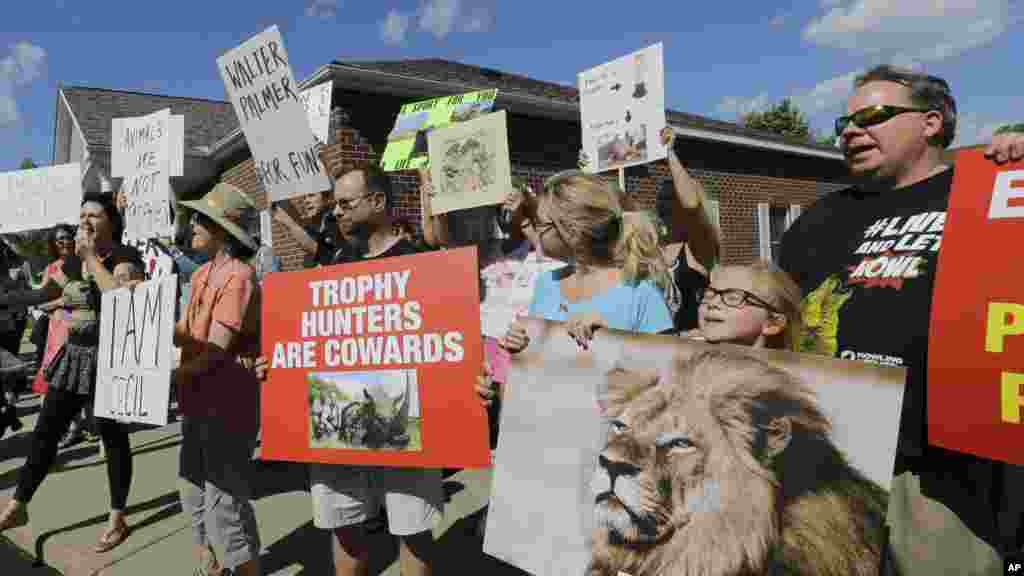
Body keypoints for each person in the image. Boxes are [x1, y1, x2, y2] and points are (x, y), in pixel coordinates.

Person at [778, 64, 1024, 574]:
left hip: (943, 466)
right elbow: (771, 314)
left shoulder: (992, 194)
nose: (850, 131)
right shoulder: (820, 219)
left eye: (872, 116)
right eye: (844, 123)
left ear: (931, 122)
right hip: (834, 456)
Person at [258, 163, 443, 576]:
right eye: (335, 204)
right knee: (345, 528)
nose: (335, 212)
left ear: (377, 202)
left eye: (345, 203)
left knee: (412, 529)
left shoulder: (422, 263)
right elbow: (309, 339)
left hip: (405, 413)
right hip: (339, 409)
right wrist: (279, 364)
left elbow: (445, 346)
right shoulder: (332, 266)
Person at [0, 192, 141, 553]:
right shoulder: (73, 263)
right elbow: (39, 294)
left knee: (112, 438)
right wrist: (7, 296)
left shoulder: (125, 259)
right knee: (46, 431)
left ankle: (117, 516)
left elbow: (123, 300)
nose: (85, 221)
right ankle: (18, 505)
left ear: (110, 219)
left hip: (109, 359)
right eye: (81, 215)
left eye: (93, 214)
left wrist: (92, 258)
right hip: (74, 357)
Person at [173, 183, 264, 576]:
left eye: (201, 219)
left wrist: (166, 374)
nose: (192, 223)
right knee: (192, 489)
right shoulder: (201, 276)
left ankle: (244, 568)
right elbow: (185, 333)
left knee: (224, 502)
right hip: (195, 397)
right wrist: (140, 312)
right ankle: (211, 565)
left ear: (223, 231)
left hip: (228, 403)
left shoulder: (239, 276)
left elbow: (215, 351)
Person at [682, 260, 801, 350]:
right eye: (708, 295)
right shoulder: (685, 356)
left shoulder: (778, 379)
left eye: (733, 298)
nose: (712, 303)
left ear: (772, 323)